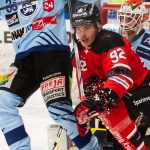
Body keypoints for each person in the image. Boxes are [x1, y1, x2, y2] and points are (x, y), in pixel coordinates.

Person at [0, 0, 100, 150]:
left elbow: (89, 4)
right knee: (3, 103)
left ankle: (92, 148)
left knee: (58, 108)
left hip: (53, 55)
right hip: (23, 60)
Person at [71, 1, 150, 149]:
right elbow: (89, 85)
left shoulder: (111, 41)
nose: (82, 34)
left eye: (87, 28)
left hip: (141, 91)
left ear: (97, 26)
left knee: (110, 108)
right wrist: (87, 105)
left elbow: (122, 78)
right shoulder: (80, 49)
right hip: (123, 93)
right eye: (78, 29)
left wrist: (99, 100)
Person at [118, 0, 150, 69]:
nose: (124, 24)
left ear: (141, 20)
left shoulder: (147, 41)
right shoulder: (111, 32)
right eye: (122, 17)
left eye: (129, 19)